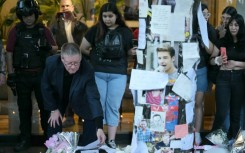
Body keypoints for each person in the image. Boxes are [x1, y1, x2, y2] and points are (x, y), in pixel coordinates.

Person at [80, 2, 136, 149]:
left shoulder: (125, 31)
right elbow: (83, 48)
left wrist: (132, 52)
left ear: (117, 16)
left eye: (110, 16)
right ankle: (98, 138)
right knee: (98, 106)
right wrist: (94, 57)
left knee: (113, 107)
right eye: (104, 16)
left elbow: (130, 51)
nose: (107, 19)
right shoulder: (95, 30)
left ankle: (111, 140)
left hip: (118, 74)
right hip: (98, 73)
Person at [5, 0, 58, 151]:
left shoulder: (43, 30)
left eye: (31, 15)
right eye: (25, 15)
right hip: (22, 76)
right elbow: (9, 52)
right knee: (24, 109)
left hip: (41, 75)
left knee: (45, 108)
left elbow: (55, 48)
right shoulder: (16, 31)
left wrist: (47, 46)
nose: (28, 18)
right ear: (20, 16)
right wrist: (11, 74)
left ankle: (49, 139)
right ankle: (25, 140)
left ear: (36, 14)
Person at [41, 43, 106, 146]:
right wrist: (53, 109)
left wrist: (99, 127)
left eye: (76, 63)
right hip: (58, 97)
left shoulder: (87, 68)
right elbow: (46, 87)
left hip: (80, 97)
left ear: (80, 58)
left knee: (91, 122)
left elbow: (93, 97)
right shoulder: (51, 63)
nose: (73, 67)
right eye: (69, 63)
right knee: (53, 121)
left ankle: (88, 147)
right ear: (62, 59)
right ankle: (55, 148)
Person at [49, 0, 88, 127]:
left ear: (72, 7)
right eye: (63, 6)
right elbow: (50, 36)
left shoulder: (78, 21)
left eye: (67, 6)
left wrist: (74, 19)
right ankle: (69, 116)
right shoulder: (56, 22)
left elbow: (85, 30)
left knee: (81, 88)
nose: (65, 8)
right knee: (66, 88)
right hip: (64, 59)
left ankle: (82, 116)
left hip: (79, 58)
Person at [210, 14, 245, 141]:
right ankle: (212, 142)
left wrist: (235, 63)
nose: (233, 27)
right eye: (231, 25)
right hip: (223, 78)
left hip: (239, 78)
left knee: (236, 114)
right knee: (221, 112)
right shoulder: (223, 41)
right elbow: (211, 61)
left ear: (241, 26)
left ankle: (236, 144)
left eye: (236, 25)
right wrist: (218, 60)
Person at [194, 3, 218, 145]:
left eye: (206, 14)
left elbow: (214, 53)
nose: (204, 16)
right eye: (201, 14)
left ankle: (197, 133)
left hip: (202, 68)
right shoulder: (189, 27)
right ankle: (186, 132)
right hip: (187, 68)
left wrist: (204, 39)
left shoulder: (209, 30)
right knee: (187, 102)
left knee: (198, 102)